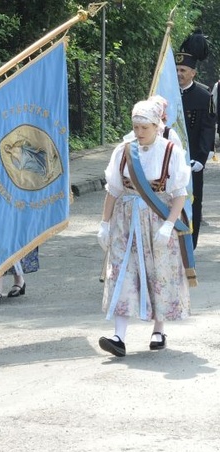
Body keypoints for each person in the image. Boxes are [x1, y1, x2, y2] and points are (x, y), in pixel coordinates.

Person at [96, 100, 191, 357]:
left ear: (156, 125)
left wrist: (169, 224)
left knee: (158, 273)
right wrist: (105, 224)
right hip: (125, 222)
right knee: (120, 272)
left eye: (144, 127)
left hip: (157, 220)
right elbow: (113, 191)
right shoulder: (124, 151)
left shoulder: (171, 151)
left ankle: (158, 330)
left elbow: (179, 194)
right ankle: (119, 336)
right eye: (135, 127)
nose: (138, 132)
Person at [176, 29, 215, 249]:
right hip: (168, 160)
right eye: (177, 69)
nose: (179, 74)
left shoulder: (204, 96)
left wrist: (200, 158)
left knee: (193, 203)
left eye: (183, 70)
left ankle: (190, 246)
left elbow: (208, 128)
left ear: (193, 73)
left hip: (192, 162)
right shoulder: (167, 94)